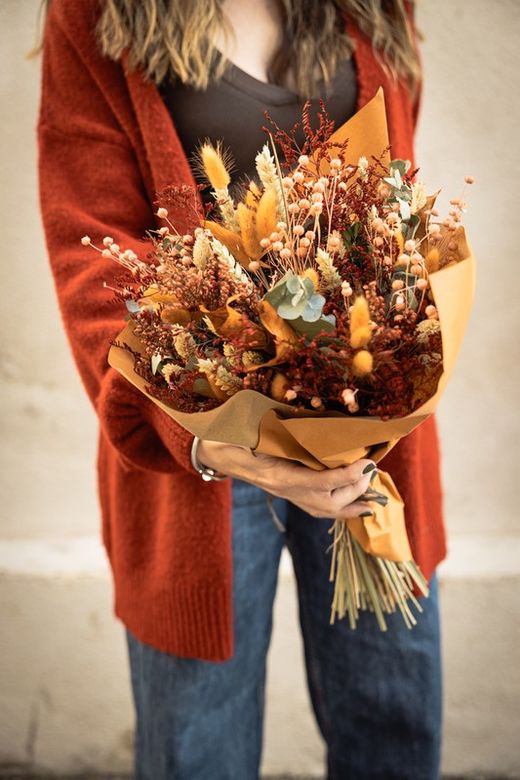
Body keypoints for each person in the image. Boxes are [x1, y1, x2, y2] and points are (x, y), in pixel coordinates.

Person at [35, 1, 444, 777]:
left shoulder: (375, 7)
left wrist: (384, 340)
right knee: (200, 744)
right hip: (204, 442)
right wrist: (204, 434)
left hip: (367, 421)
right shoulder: (98, 15)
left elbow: (393, 192)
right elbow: (91, 250)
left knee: (395, 717)